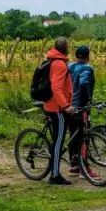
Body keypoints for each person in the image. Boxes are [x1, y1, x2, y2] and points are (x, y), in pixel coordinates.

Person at [42, 37, 74, 186]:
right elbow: (56, 88)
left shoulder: (52, 60)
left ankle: (55, 170)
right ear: (66, 48)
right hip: (58, 109)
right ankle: (54, 175)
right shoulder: (60, 64)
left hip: (51, 105)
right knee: (58, 142)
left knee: (58, 140)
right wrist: (66, 105)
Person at [67, 45, 98, 180]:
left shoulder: (70, 66)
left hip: (68, 106)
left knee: (73, 135)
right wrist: (88, 102)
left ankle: (74, 164)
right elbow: (84, 84)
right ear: (88, 56)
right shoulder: (87, 68)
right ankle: (84, 169)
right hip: (80, 107)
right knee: (83, 138)